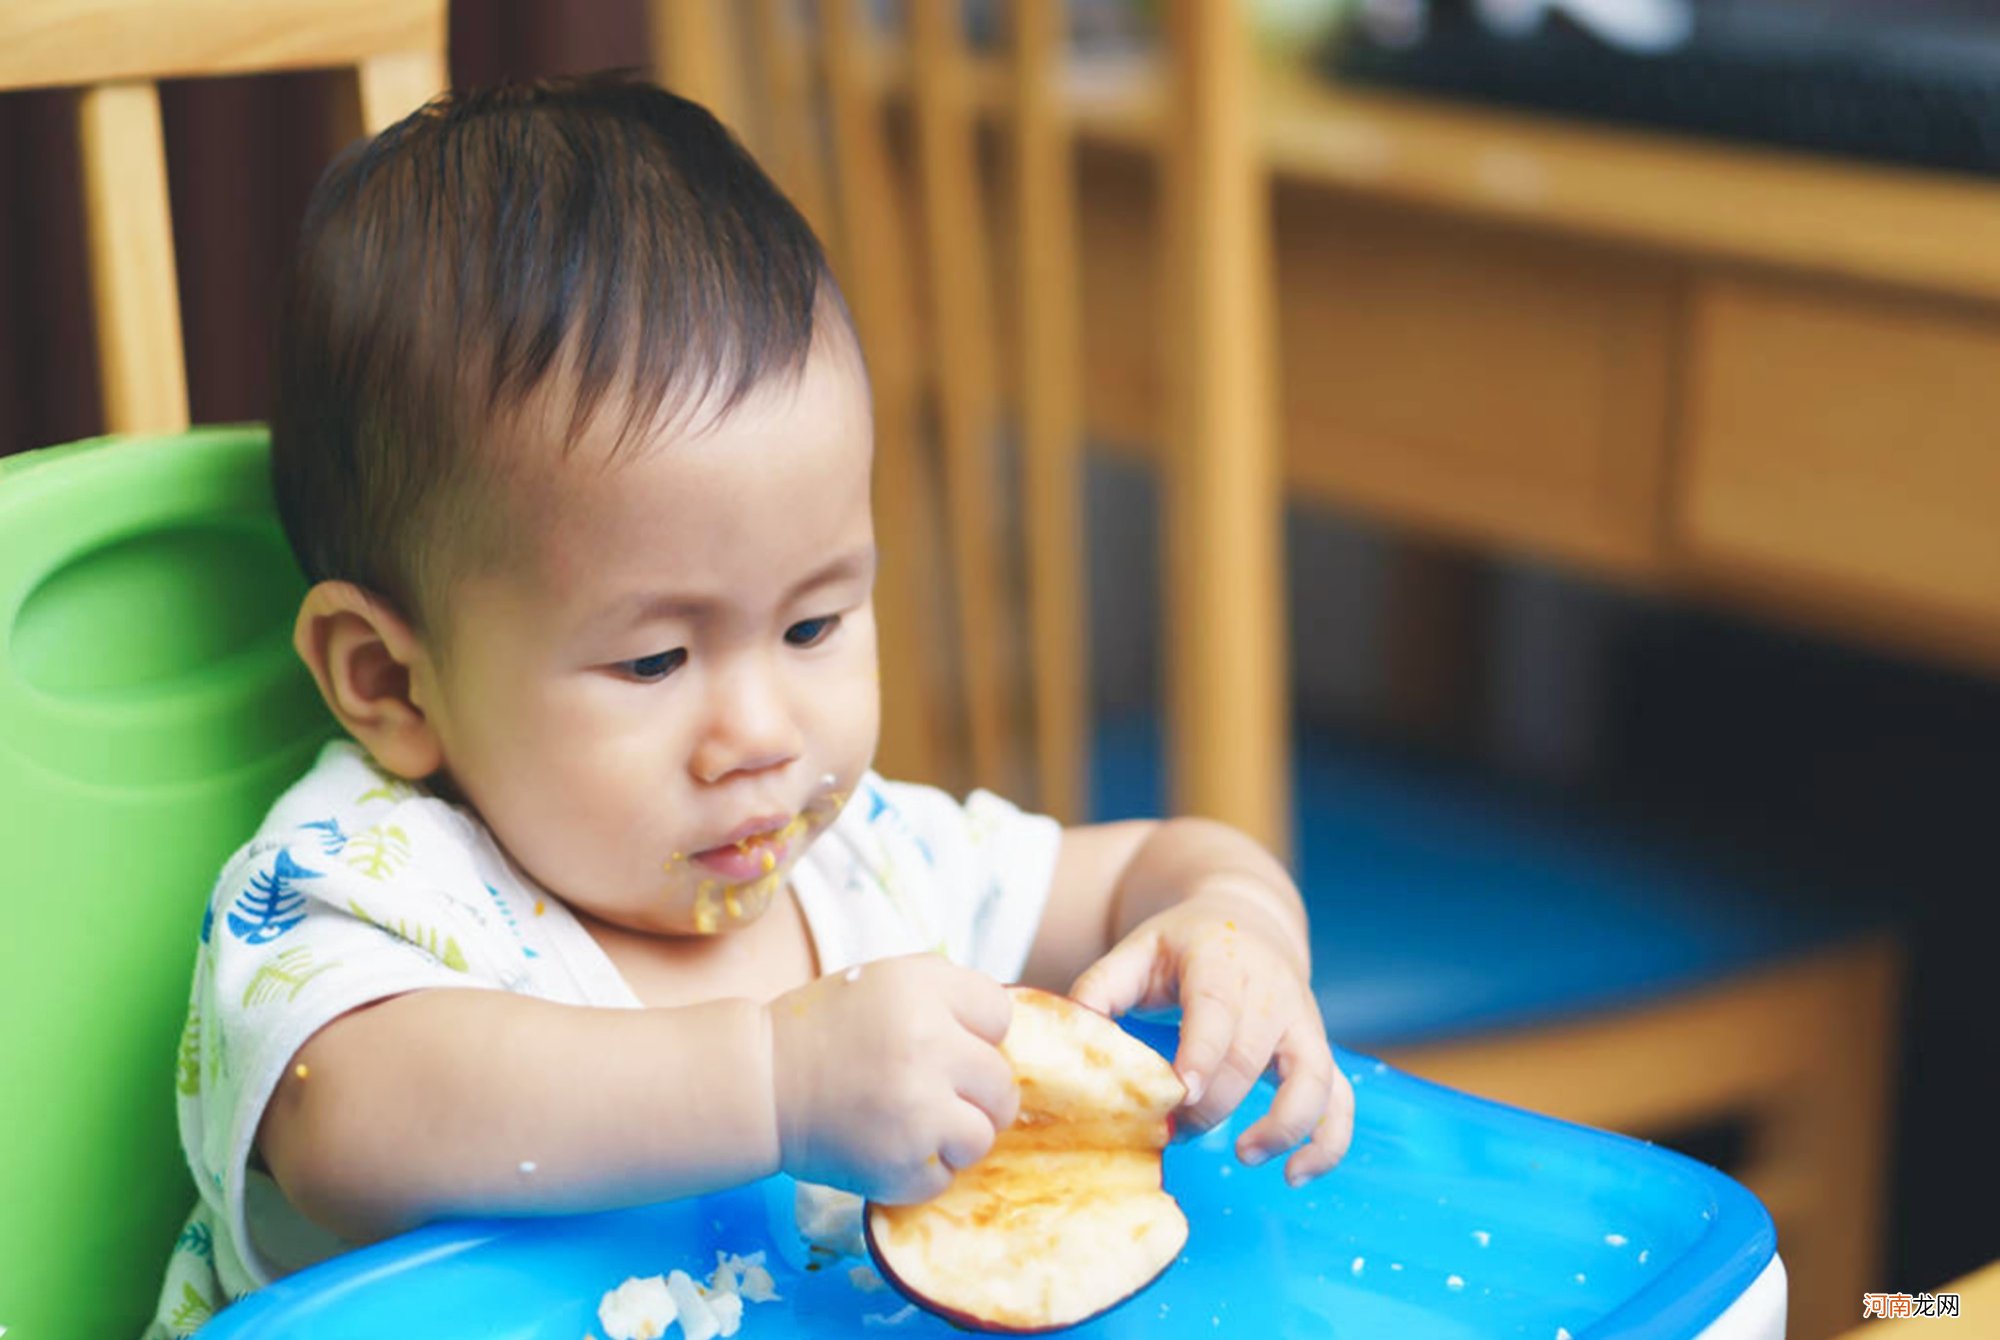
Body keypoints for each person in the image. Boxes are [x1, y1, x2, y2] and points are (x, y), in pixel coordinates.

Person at [145, 73, 1351, 1336]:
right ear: (390, 678)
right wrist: (776, 1080)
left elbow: (1142, 874)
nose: (762, 733)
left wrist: (1235, 920)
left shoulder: (875, 871)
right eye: (656, 661)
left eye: (814, 624)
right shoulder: (370, 884)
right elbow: (350, 1118)